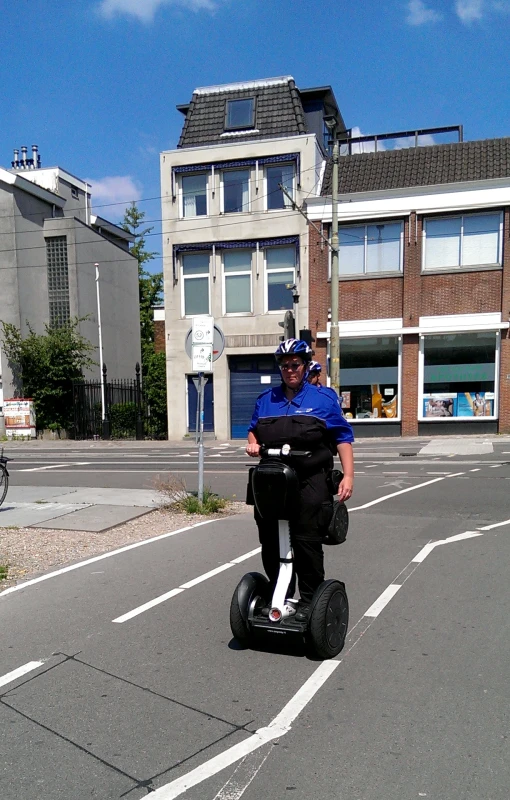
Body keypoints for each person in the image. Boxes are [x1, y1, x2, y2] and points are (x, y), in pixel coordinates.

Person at [246, 338, 354, 622]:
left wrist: (349, 476)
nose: (289, 370)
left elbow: (342, 438)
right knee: (270, 542)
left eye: (295, 364)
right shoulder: (266, 400)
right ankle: (278, 592)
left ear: (305, 366)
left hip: (310, 481)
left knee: (307, 542)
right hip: (272, 483)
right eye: (284, 365)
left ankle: (309, 599)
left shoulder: (324, 399)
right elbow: (253, 431)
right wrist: (253, 443)